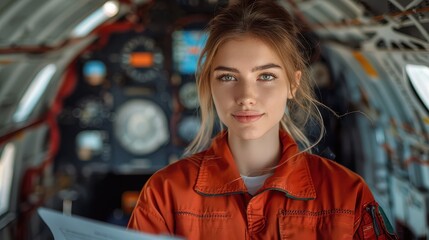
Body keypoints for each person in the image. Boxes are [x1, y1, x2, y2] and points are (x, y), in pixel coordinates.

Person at [128, 0, 398, 239]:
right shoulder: (164, 194)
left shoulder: (347, 194)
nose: (246, 96)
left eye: (266, 76)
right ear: (209, 85)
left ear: (293, 84)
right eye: (228, 77)